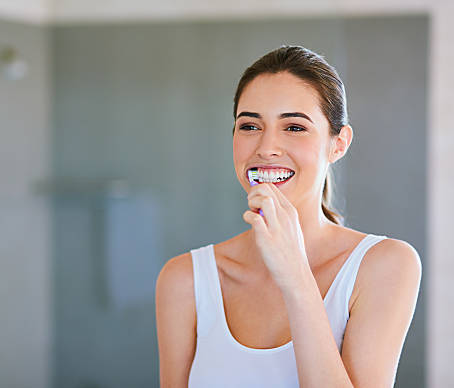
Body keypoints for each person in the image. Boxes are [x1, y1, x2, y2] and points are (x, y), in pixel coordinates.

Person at [155, 45, 422, 387]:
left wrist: (295, 276)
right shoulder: (183, 280)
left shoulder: (385, 266)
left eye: (294, 127)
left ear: (337, 144)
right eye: (249, 126)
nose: (266, 148)